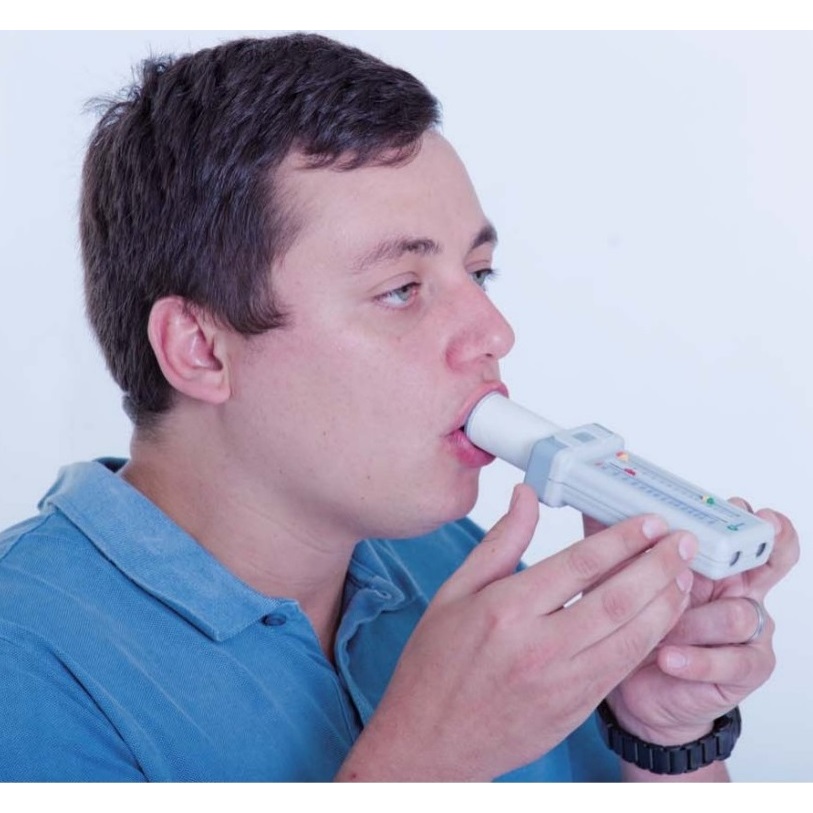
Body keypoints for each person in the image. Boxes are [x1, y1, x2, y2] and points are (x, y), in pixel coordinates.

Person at [0, 32, 798, 782]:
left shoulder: (444, 564)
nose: (494, 331)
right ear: (201, 348)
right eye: (401, 290)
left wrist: (662, 736)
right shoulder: (26, 654)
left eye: (477, 273)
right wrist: (426, 759)